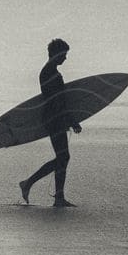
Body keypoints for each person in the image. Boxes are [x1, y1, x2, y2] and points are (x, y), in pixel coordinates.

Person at [19, 37, 82, 207]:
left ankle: (58, 196)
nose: (65, 58)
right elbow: (57, 100)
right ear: (56, 53)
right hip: (55, 119)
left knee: (63, 157)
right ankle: (29, 183)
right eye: (64, 54)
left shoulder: (49, 71)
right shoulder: (49, 73)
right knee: (63, 157)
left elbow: (59, 100)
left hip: (55, 118)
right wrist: (71, 120)